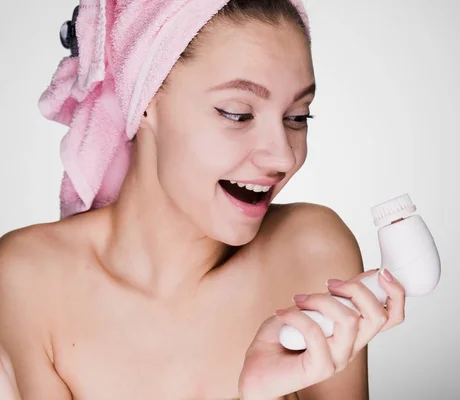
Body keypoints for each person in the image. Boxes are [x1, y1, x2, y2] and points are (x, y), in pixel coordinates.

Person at [0, 0, 407, 398]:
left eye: (298, 117)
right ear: (145, 102)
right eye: (237, 113)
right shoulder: (28, 280)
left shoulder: (310, 254)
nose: (283, 156)